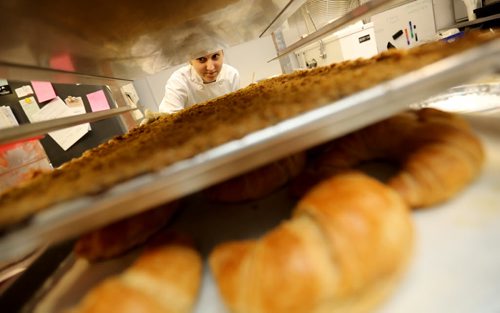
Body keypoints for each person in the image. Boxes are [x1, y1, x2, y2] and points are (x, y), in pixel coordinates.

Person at [158, 49, 240, 114]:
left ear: (223, 54)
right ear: (190, 61)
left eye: (215, 56)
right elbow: (171, 119)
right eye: (201, 59)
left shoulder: (231, 75)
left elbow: (236, 110)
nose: (210, 68)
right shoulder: (179, 81)